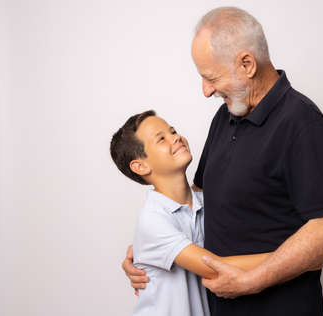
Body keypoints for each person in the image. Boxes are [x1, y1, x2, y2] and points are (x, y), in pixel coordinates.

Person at [123, 7, 323, 316]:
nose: (206, 91)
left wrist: (253, 280)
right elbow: (200, 198)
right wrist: (152, 250)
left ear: (247, 64)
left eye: (211, 77)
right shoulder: (228, 115)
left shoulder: (303, 125)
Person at [110, 110, 284, 316]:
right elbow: (215, 267)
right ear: (141, 166)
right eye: (161, 139)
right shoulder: (153, 220)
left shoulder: (206, 203)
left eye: (173, 131)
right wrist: (293, 260)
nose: (175, 137)